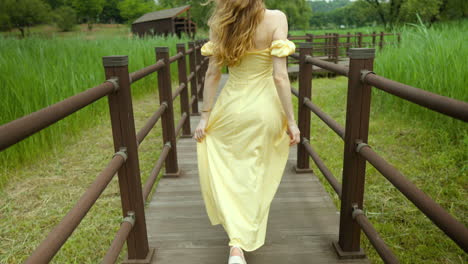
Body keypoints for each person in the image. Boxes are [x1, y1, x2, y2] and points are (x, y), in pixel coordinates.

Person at [193, 0, 300, 263]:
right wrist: (292, 121)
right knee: (256, 171)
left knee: (231, 170)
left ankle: (236, 245)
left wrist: (204, 117)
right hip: (264, 109)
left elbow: (212, 75)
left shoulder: (221, 24)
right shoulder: (277, 19)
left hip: (230, 109)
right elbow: (279, 77)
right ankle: (239, 241)